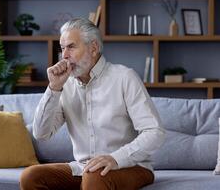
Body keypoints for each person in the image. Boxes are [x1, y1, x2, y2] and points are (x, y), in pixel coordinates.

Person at [20, 18, 165, 190]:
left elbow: (155, 132)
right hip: (84, 168)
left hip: (130, 166)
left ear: (93, 48)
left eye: (71, 47)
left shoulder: (124, 77)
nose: (64, 55)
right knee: (31, 176)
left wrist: (115, 158)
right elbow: (41, 134)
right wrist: (53, 88)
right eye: (62, 48)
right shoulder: (64, 85)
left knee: (94, 177)